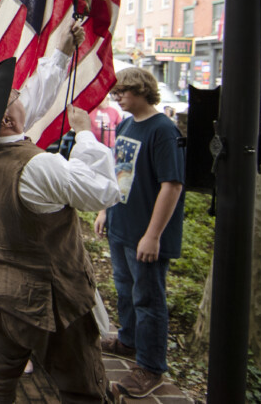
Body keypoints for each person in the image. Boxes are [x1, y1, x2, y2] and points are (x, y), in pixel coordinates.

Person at [0, 22, 120, 403]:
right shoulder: (37, 166)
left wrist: (61, 52)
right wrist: (85, 134)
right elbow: (103, 190)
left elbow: (32, 101)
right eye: (13, 95)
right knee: (82, 387)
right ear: (7, 120)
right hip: (48, 301)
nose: (19, 93)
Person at [95, 67, 185, 399]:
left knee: (148, 299)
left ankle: (150, 367)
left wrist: (153, 235)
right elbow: (118, 172)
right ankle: (128, 341)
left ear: (142, 90)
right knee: (125, 289)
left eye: (122, 91)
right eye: (114, 92)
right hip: (121, 227)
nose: (116, 97)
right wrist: (105, 210)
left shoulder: (164, 130)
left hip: (145, 234)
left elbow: (172, 185)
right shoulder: (126, 124)